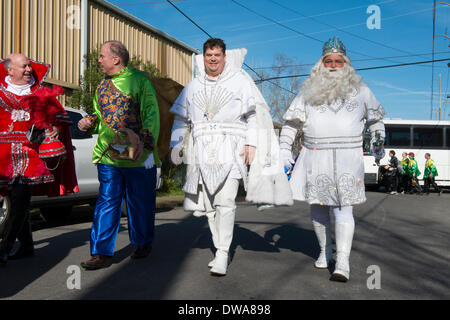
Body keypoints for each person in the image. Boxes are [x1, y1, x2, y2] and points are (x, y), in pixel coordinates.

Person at [169, 38, 292, 276]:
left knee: (226, 203)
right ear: (203, 57)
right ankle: (219, 247)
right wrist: (176, 145)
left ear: (225, 57)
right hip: (200, 152)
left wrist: (251, 143)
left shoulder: (240, 83)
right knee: (210, 207)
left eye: (217, 54)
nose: (213, 58)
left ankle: (223, 253)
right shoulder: (192, 86)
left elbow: (253, 116)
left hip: (231, 149)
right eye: (208, 54)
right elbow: (180, 119)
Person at [279, 37, 386, 282]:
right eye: (329, 61)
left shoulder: (362, 90)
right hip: (315, 155)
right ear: (321, 64)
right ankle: (325, 250)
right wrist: (285, 149)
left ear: (346, 65)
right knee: (317, 206)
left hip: (348, 156)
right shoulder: (307, 91)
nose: (334, 65)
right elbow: (291, 123)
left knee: (343, 207)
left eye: (339, 61)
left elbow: (376, 121)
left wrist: (378, 140)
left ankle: (343, 261)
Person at [78, 41, 160, 270]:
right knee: (107, 201)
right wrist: (89, 123)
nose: (99, 60)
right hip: (108, 155)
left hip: (137, 155)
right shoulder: (102, 86)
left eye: (103, 56)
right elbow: (99, 115)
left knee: (139, 202)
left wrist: (145, 142)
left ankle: (143, 242)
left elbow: (151, 114)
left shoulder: (140, 81)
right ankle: (101, 253)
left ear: (116, 59)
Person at [0, 54, 78, 265]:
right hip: (3, 157)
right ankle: (26, 246)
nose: (29, 69)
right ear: (10, 70)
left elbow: (59, 118)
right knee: (17, 202)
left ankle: (4, 247)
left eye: (29, 66)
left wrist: (53, 129)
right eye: (24, 66)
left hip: (31, 156)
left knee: (19, 199)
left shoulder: (40, 91)